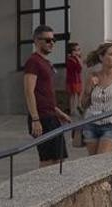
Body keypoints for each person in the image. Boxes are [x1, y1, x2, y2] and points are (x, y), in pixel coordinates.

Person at [23, 25, 71, 166]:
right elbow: (29, 91)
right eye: (48, 40)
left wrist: (59, 112)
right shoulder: (33, 62)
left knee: (58, 159)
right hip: (42, 117)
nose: (52, 43)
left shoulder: (46, 63)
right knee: (47, 160)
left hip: (51, 115)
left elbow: (45, 93)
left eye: (54, 40)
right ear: (37, 41)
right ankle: (43, 187)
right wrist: (35, 119)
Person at [65, 42, 83, 115]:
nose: (77, 52)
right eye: (75, 50)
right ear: (70, 52)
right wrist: (78, 60)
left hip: (77, 79)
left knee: (78, 92)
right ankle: (73, 109)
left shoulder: (76, 59)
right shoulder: (71, 60)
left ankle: (78, 105)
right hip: (73, 80)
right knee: (73, 95)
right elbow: (79, 68)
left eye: (78, 50)